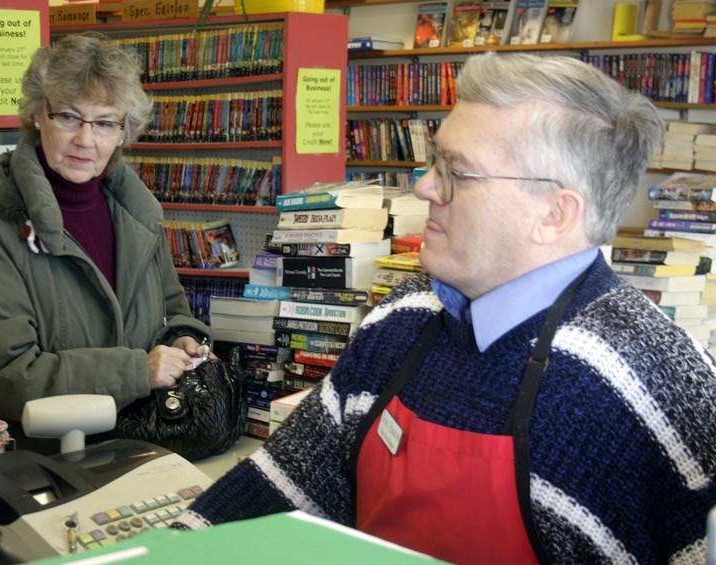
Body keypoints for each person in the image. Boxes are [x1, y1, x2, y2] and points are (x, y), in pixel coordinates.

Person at [173, 51, 716, 563]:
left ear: (555, 213)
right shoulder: (402, 318)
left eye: (459, 172)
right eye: (435, 162)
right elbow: (283, 484)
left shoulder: (655, 380)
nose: (424, 186)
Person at [0, 32, 211, 454]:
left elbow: (172, 309)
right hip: (25, 468)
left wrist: (182, 341)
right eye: (68, 117)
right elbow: (3, 376)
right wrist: (137, 370)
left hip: (135, 447)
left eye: (104, 122)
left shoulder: (136, 212)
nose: (85, 139)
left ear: (123, 132)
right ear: (37, 116)